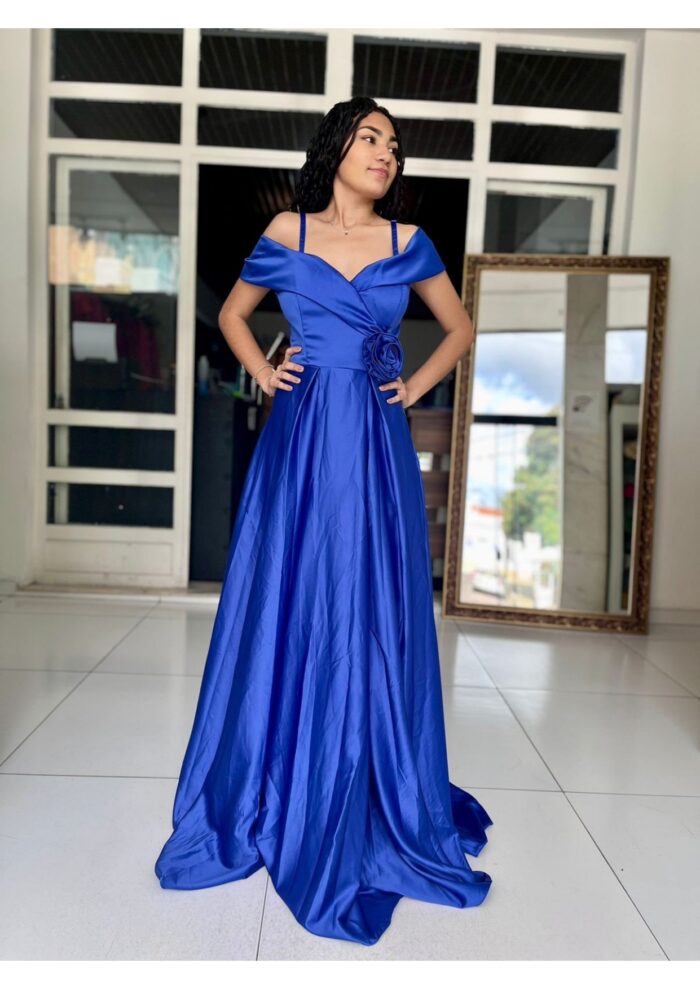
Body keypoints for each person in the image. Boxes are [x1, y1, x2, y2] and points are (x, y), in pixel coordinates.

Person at [154, 95, 493, 947]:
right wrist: (264, 372)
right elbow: (233, 314)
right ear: (336, 147)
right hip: (301, 438)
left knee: (366, 601)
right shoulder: (287, 231)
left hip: (373, 438)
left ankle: (359, 771)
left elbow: (459, 327)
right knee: (290, 593)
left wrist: (413, 387)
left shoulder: (408, 242)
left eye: (395, 146)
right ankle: (275, 772)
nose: (386, 153)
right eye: (371, 138)